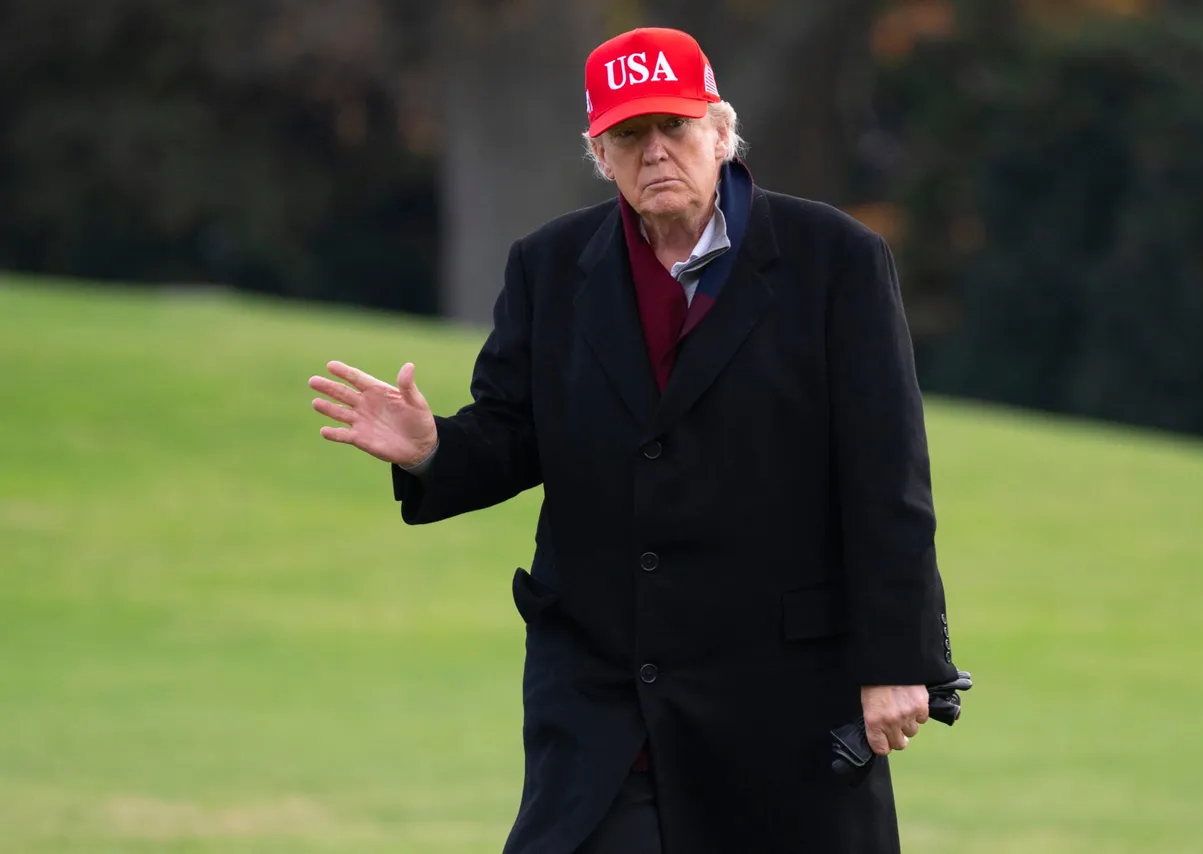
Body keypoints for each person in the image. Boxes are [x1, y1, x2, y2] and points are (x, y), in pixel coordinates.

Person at [309, 26, 959, 854]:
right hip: (604, 692)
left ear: (720, 132)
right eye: (628, 135)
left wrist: (896, 656)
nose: (655, 153)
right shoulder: (548, 268)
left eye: (674, 128)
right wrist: (433, 446)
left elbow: (886, 479)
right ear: (600, 154)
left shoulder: (838, 262)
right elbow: (512, 434)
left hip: (780, 692)